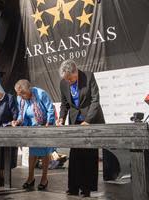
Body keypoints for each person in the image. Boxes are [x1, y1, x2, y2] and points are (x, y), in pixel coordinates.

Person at [56, 59, 105, 197]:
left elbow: (95, 100)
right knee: (75, 155)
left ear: (75, 71)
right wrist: (61, 118)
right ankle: (73, 187)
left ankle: (86, 188)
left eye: (70, 79)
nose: (69, 82)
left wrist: (88, 120)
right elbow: (64, 104)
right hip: (75, 122)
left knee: (89, 155)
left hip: (91, 120)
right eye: (66, 79)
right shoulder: (63, 83)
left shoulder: (88, 76)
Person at [12, 79, 55, 191]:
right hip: (31, 127)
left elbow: (50, 109)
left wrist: (49, 124)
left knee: (45, 152)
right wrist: (18, 121)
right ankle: (30, 178)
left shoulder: (41, 94)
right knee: (32, 153)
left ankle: (44, 178)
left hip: (45, 125)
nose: (21, 97)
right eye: (19, 94)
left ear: (29, 90)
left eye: (23, 94)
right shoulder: (20, 98)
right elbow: (21, 114)